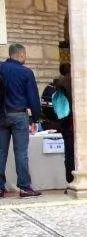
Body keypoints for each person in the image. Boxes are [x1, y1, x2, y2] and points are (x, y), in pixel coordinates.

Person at [0, 43, 43, 197]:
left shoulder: (1, 68)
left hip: (1, 115)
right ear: (22, 55)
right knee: (21, 152)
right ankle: (24, 187)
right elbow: (32, 97)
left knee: (1, 152)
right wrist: (36, 118)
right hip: (19, 115)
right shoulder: (26, 73)